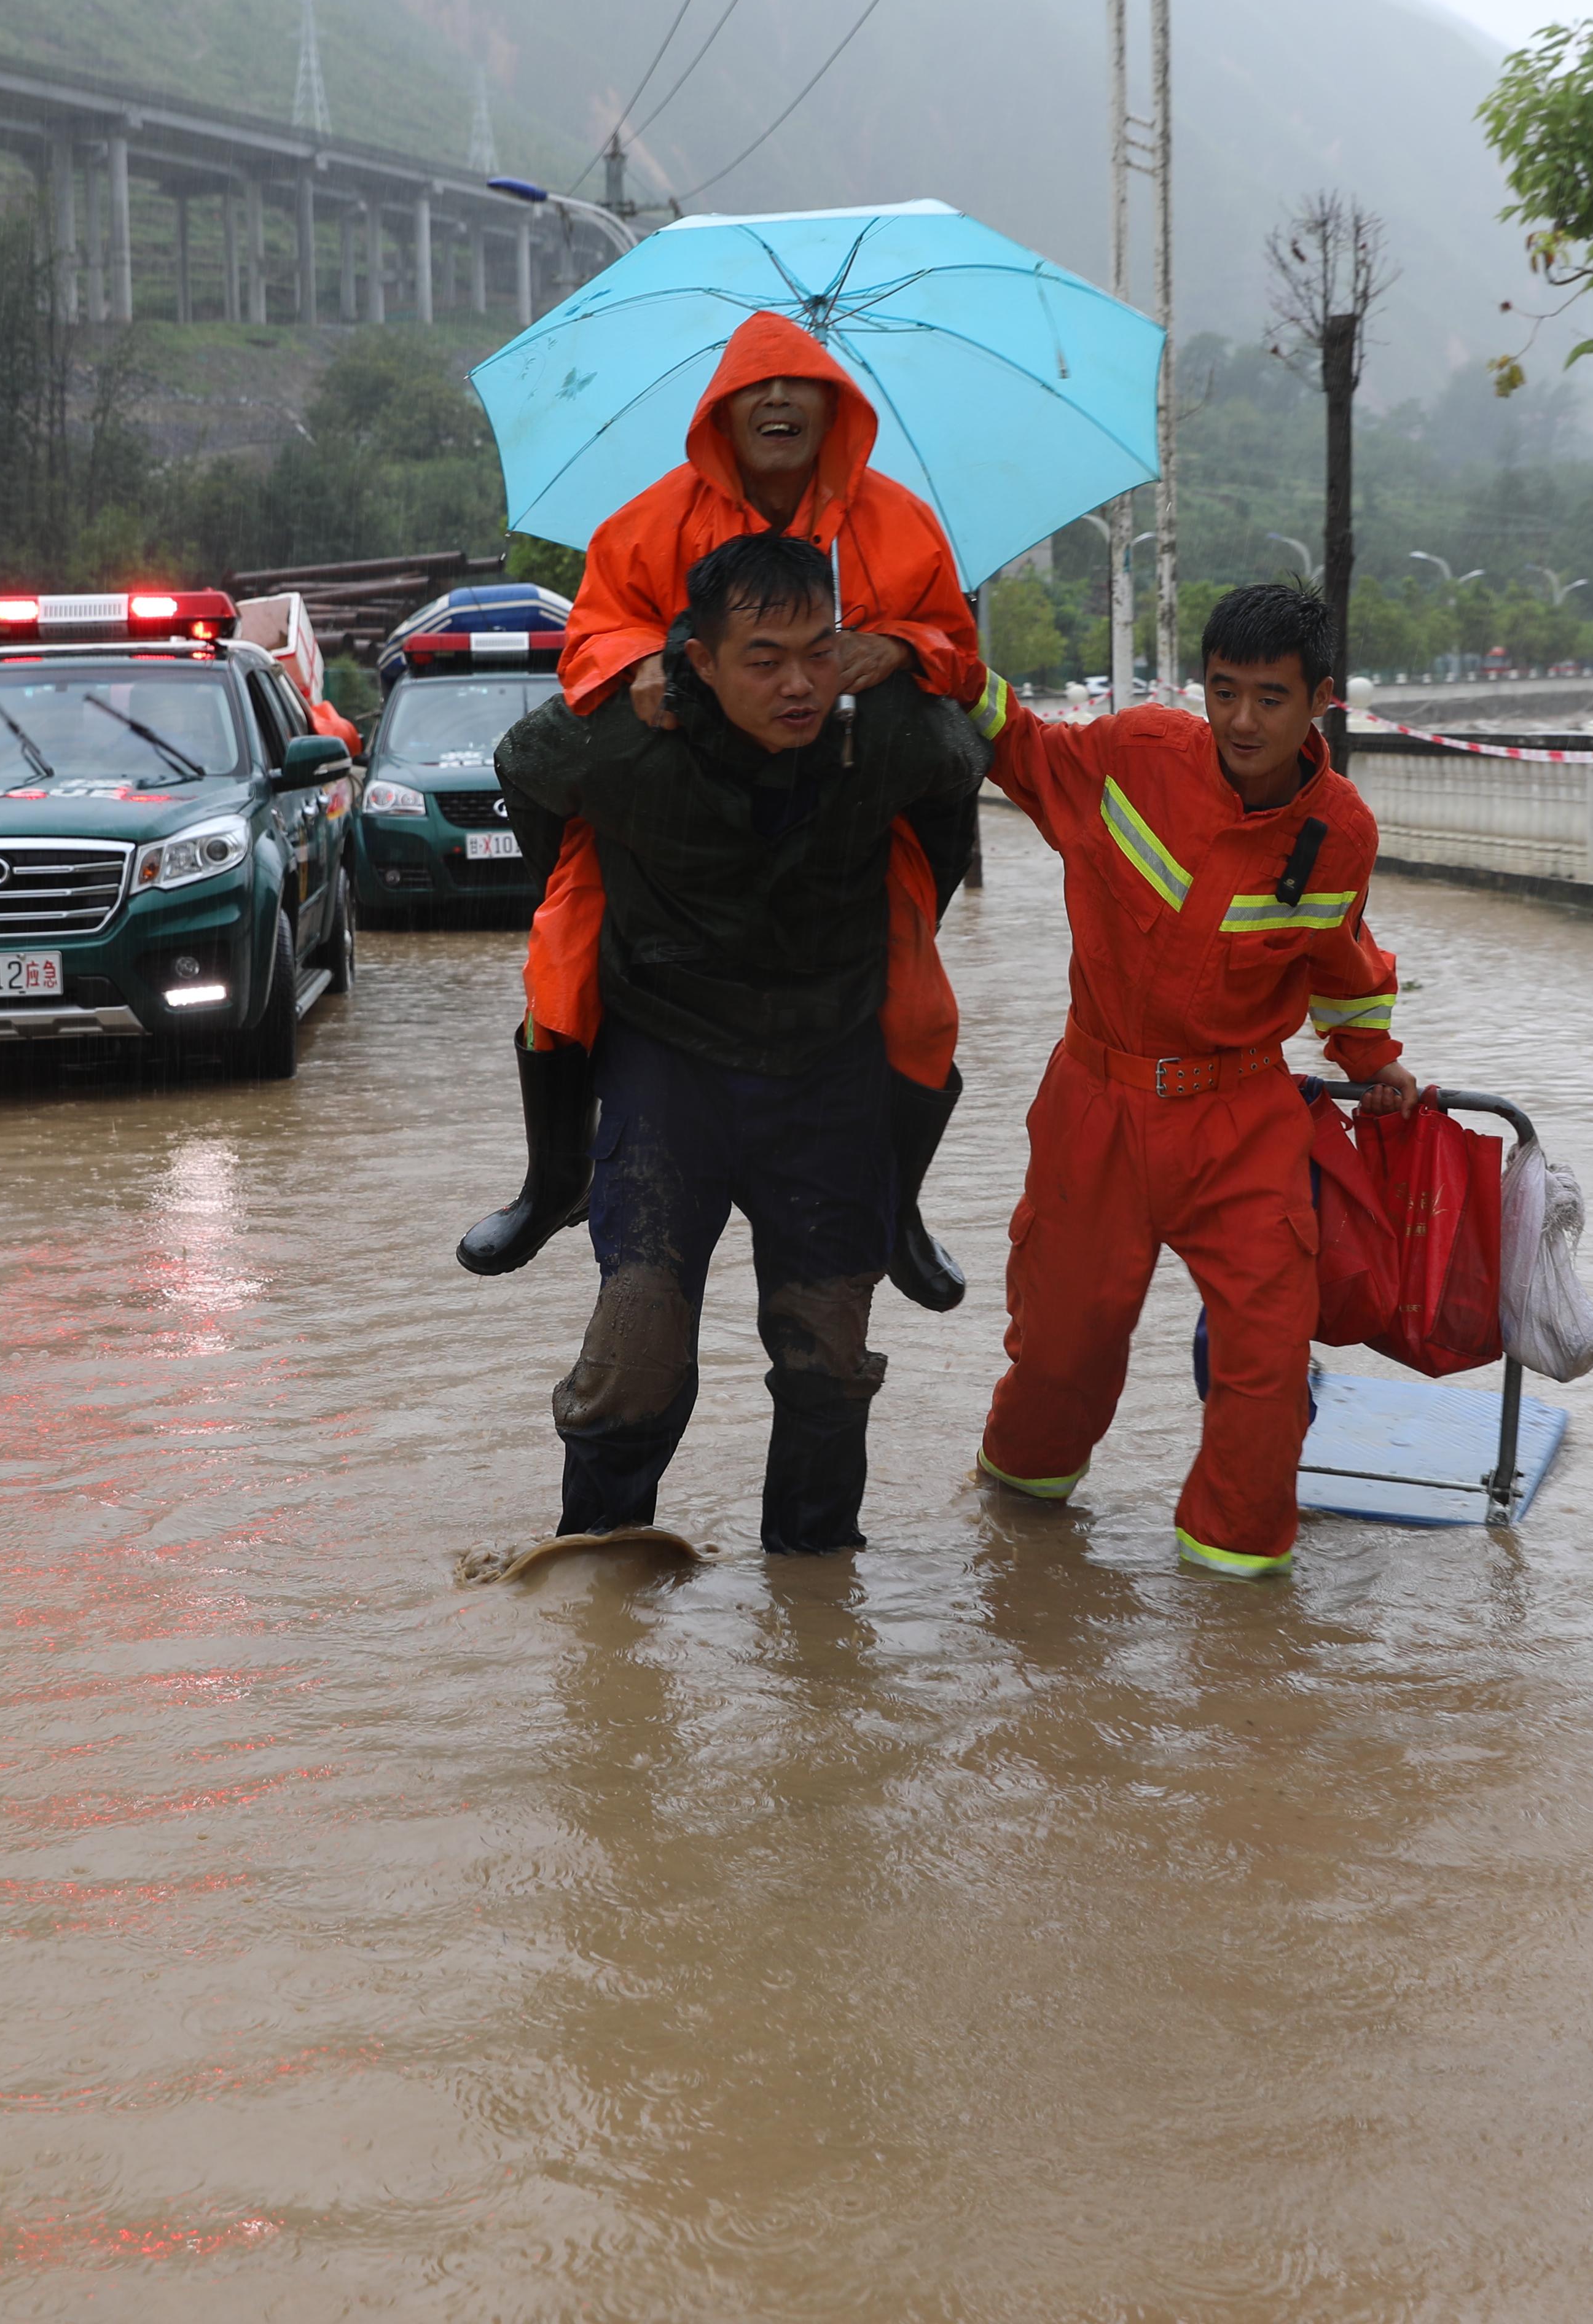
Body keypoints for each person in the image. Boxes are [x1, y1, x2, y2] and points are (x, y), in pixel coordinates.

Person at [456, 310, 987, 1311]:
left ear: (835, 407)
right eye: (755, 388)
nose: (778, 401)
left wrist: (901, 647)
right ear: (720, 415)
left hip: (840, 815)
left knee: (919, 1003)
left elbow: (957, 652)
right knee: (562, 968)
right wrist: (641, 662)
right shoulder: (649, 523)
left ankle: (902, 1208)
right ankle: (553, 1179)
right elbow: (590, 640)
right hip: (676, 807)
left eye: (799, 385)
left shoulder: (901, 523)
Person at [490, 531, 988, 1556]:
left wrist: (904, 910)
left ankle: (814, 1581)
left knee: (829, 1350)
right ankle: (599, 1559)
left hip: (830, 1067)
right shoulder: (625, 736)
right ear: (700, 663)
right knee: (637, 1335)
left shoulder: (886, 730)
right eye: (764, 660)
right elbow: (525, 774)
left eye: (819, 651)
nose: (799, 684)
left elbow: (957, 777)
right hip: (669, 1059)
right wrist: (612, 888)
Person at [973, 582, 1416, 1578]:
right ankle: (1016, 1518)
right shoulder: (1134, 754)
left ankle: (1240, 1594)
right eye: (1224, 692)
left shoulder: (1342, 831)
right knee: (1062, 1352)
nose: (1242, 721)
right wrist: (944, 668)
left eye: (1270, 697)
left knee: (1267, 1356)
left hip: (1243, 1116)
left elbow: (1340, 956)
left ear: (1321, 702)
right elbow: (1023, 748)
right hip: (1096, 1104)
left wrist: (1371, 1056)